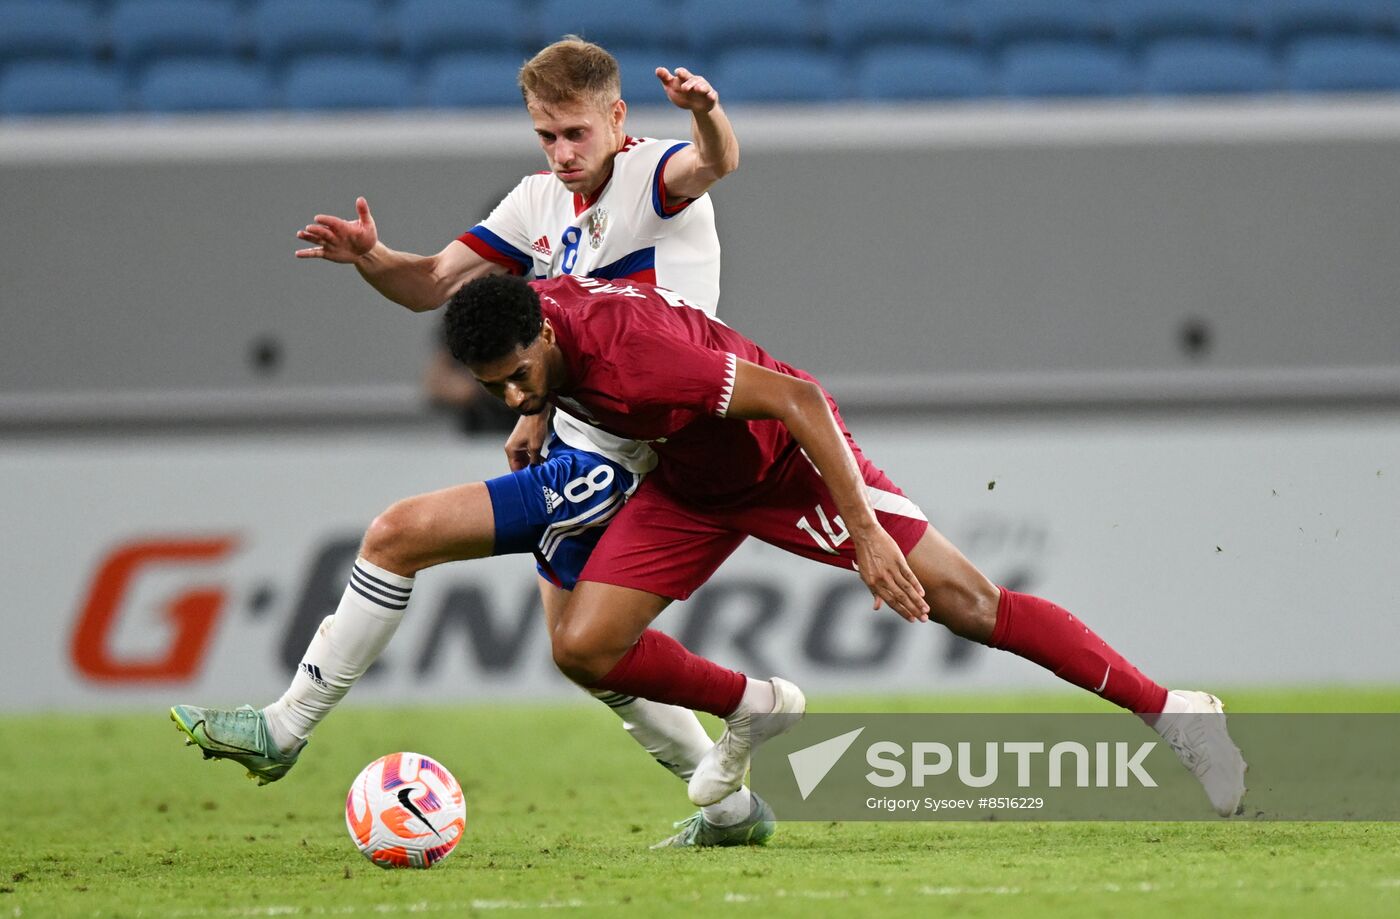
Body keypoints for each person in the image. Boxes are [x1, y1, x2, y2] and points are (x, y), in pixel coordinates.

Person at [172, 38, 767, 849]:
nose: (561, 153)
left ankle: (284, 727)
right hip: (575, 441)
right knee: (584, 653)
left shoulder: (651, 176)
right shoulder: (534, 202)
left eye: (576, 134)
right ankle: (732, 809)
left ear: (616, 119)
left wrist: (706, 113)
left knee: (397, 534)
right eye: (545, 135)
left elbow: (714, 163)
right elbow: (428, 283)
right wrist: (371, 258)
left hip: (633, 453)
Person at [437, 273, 1248, 818]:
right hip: (689, 483)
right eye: (494, 385)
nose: (509, 392)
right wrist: (536, 407)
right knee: (582, 646)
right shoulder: (532, 317)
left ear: (544, 332)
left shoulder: (636, 360)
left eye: (517, 375)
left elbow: (799, 398)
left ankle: (1174, 713)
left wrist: (864, 533)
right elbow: (548, 336)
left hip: (785, 467)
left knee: (968, 605)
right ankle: (752, 707)